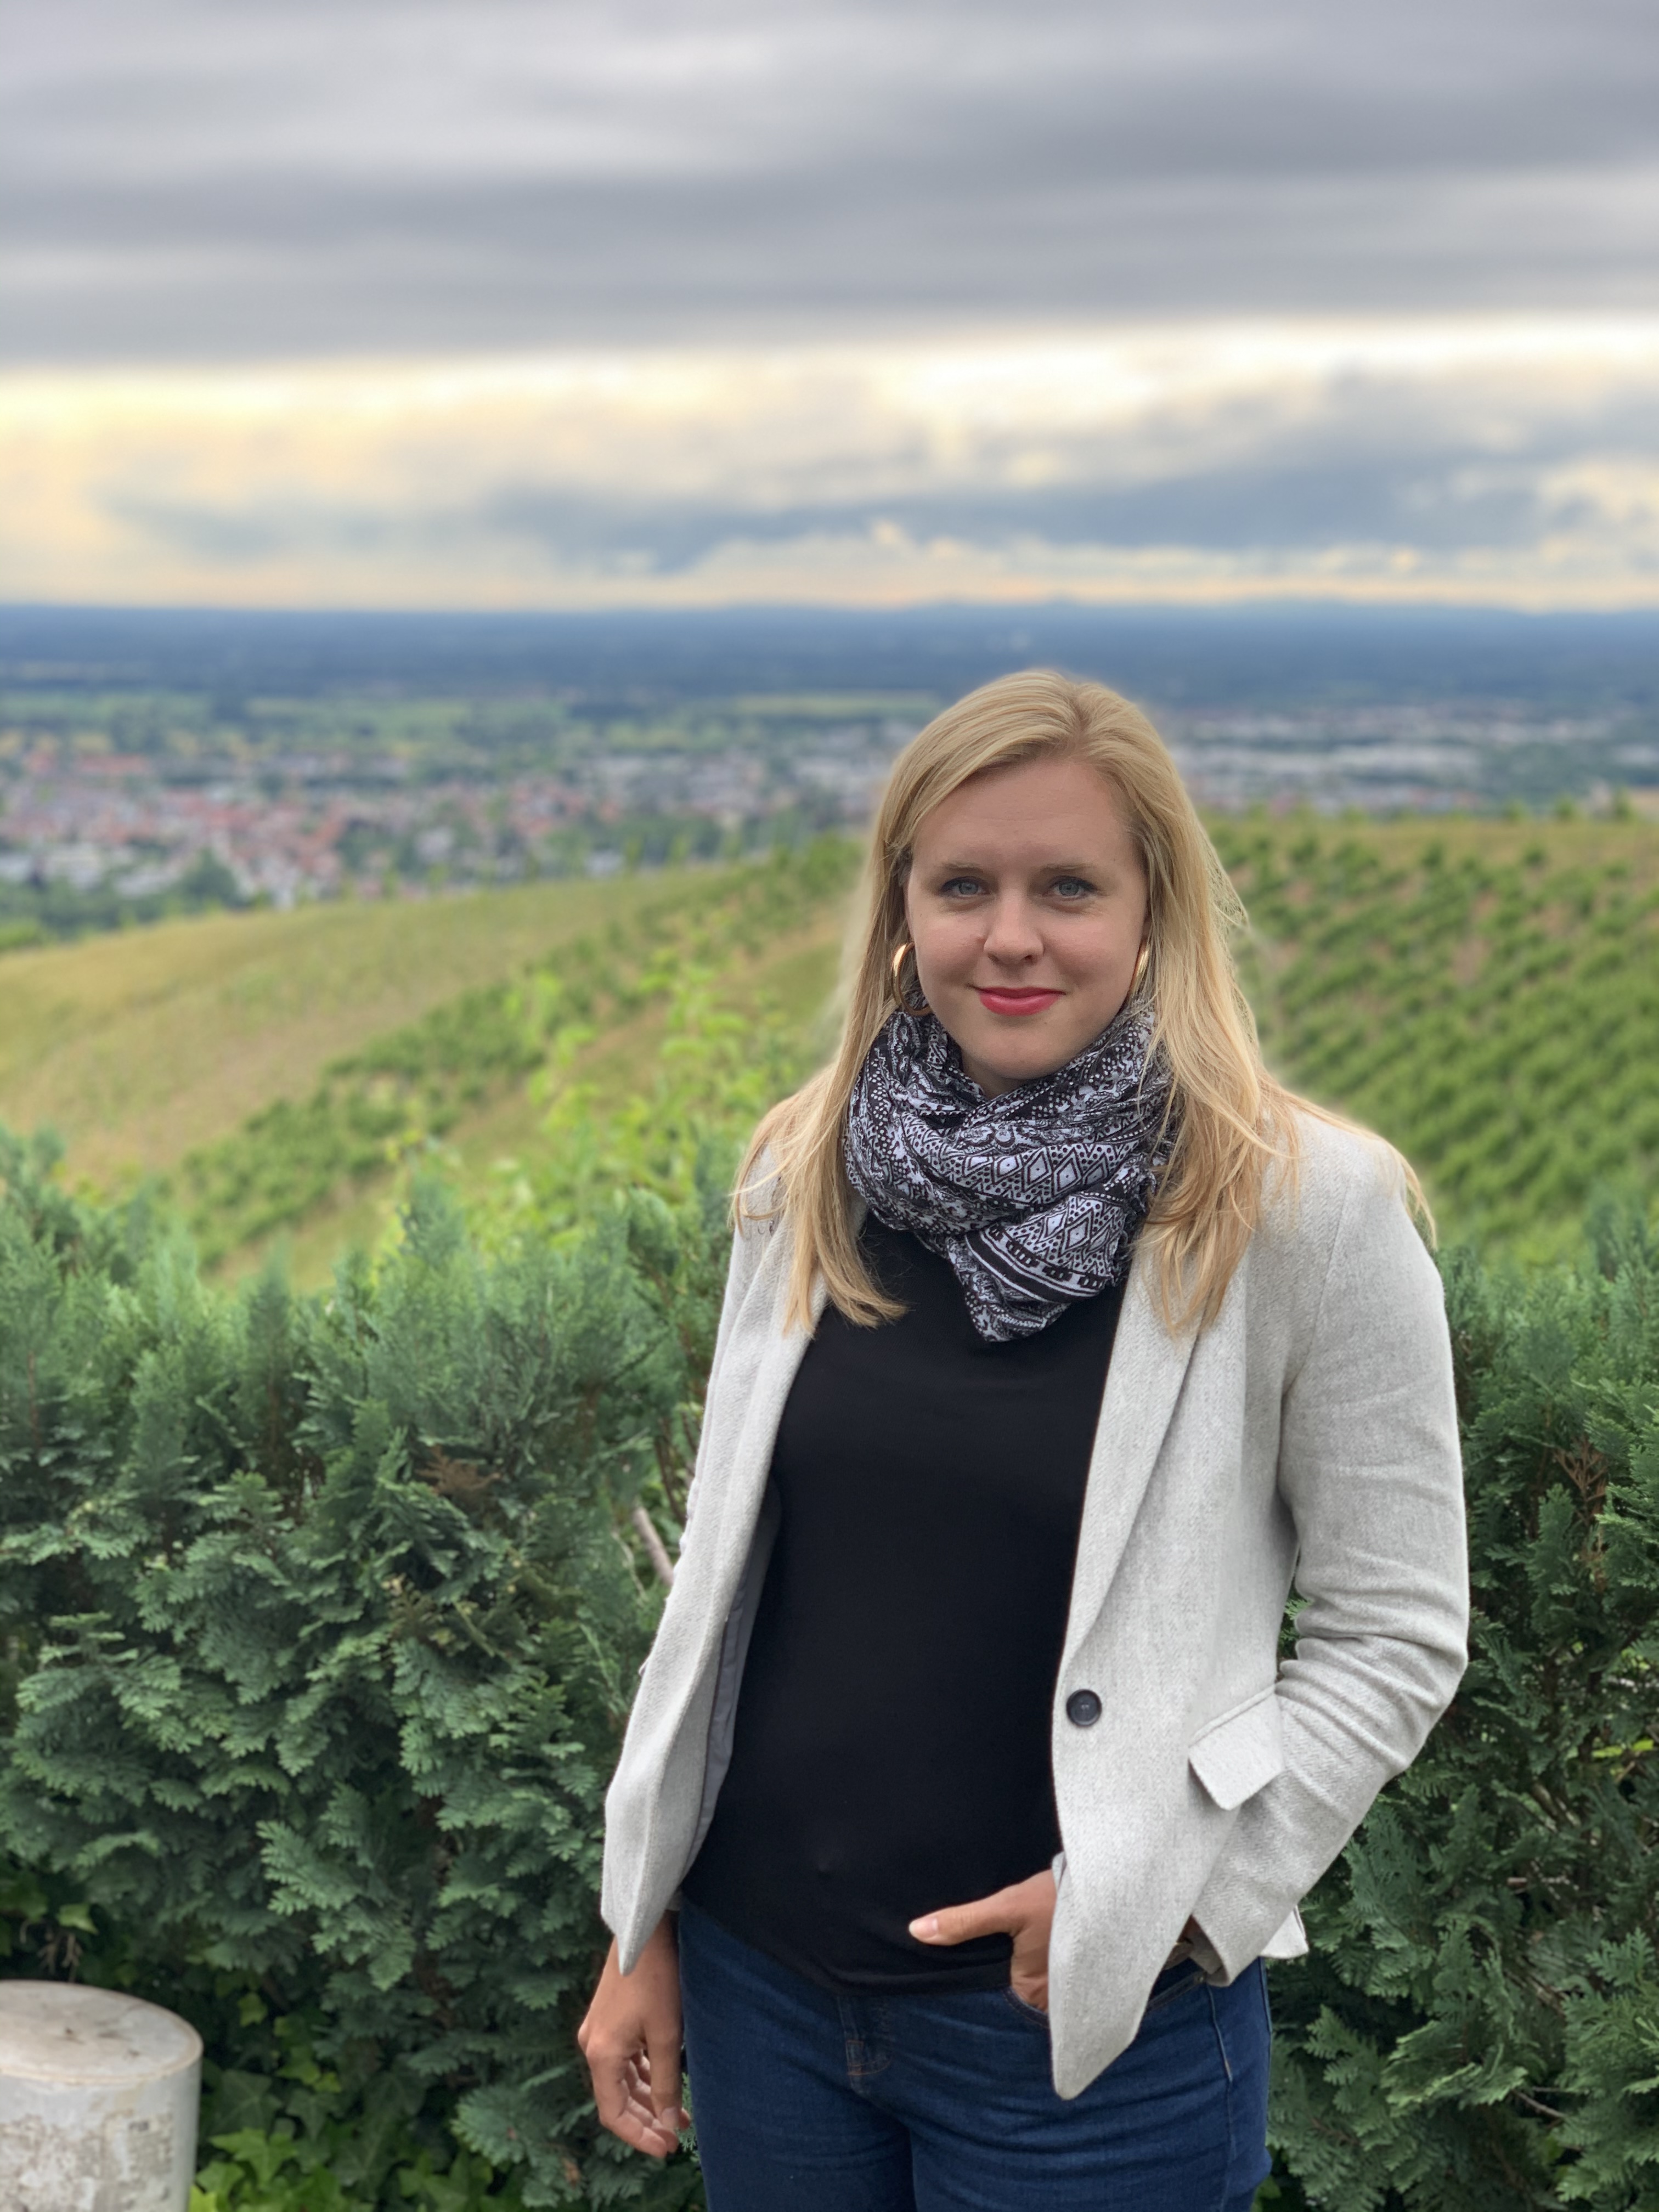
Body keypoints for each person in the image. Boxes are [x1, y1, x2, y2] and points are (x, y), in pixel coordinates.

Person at [579, 670, 1468, 2211]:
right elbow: (734, 1597)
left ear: (1152, 910)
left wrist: (1166, 1903)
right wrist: (643, 1919)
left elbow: (1399, 1631)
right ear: (901, 909)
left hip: (1085, 2044)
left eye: (1068, 886)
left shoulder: (1301, 1209)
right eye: (961, 886)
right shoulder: (809, 1162)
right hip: (762, 1991)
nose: (1010, 935)